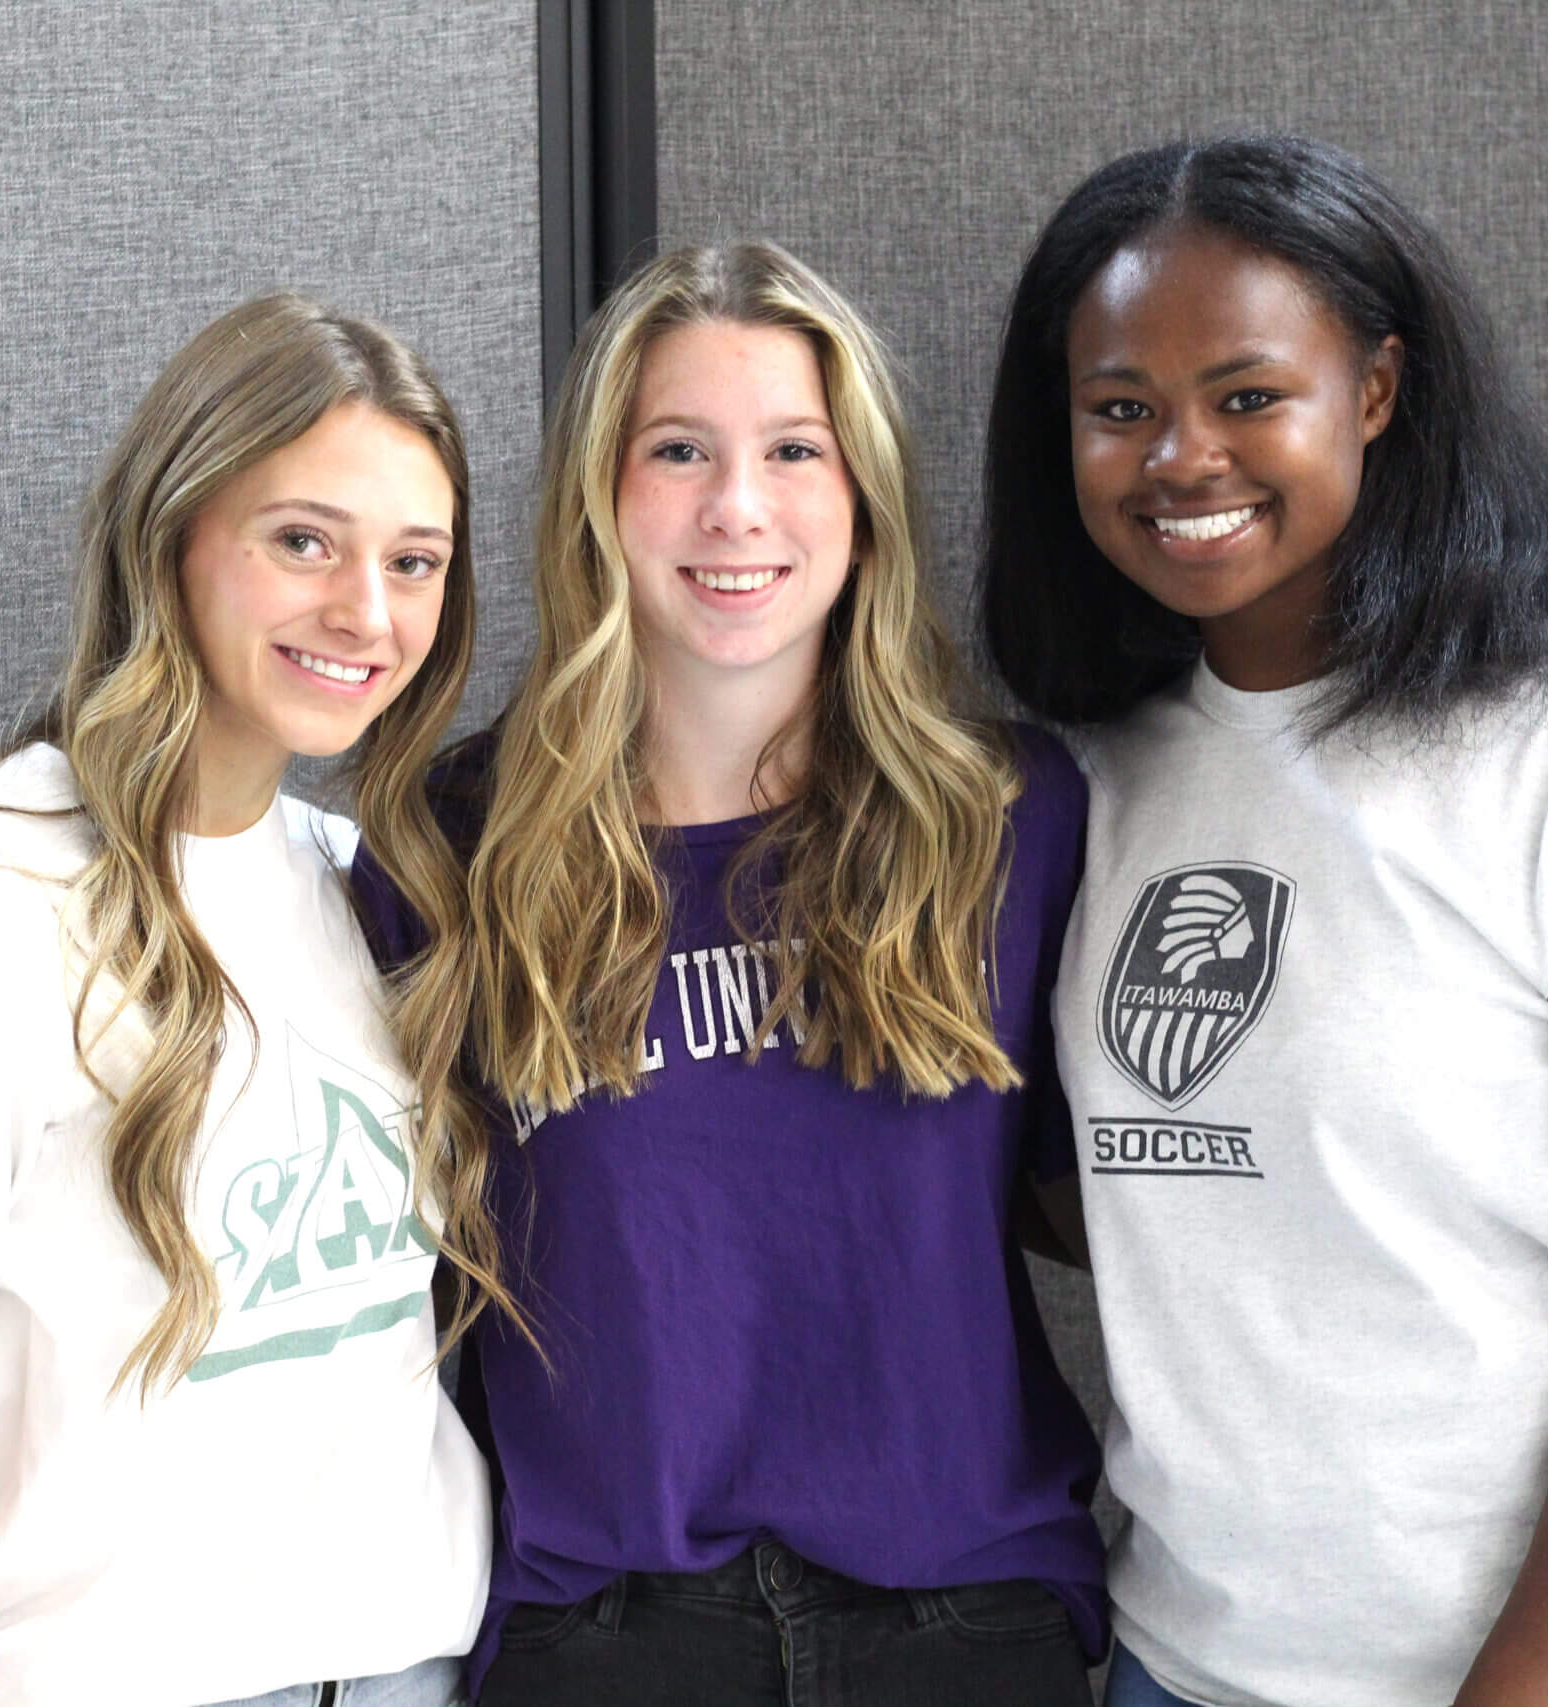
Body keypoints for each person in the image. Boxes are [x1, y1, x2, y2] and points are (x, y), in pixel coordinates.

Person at [979, 136, 1548, 1707]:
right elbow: (1150, 1198)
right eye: (1120, 410)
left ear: (1374, 389)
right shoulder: (1083, 787)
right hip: (1191, 1669)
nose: (1181, 458)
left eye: (1246, 396)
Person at [352, 242, 1105, 1707]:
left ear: (863, 491)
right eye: (678, 450)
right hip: (608, 1632)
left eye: (794, 451)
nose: (737, 507)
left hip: (962, 1618)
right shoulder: (449, 854)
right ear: (597, 492)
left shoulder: (1014, 822)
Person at [0, 294, 507, 1707]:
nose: (368, 612)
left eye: (413, 560)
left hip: (413, 1671)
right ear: (170, 534)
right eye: (303, 540)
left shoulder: (357, 887)